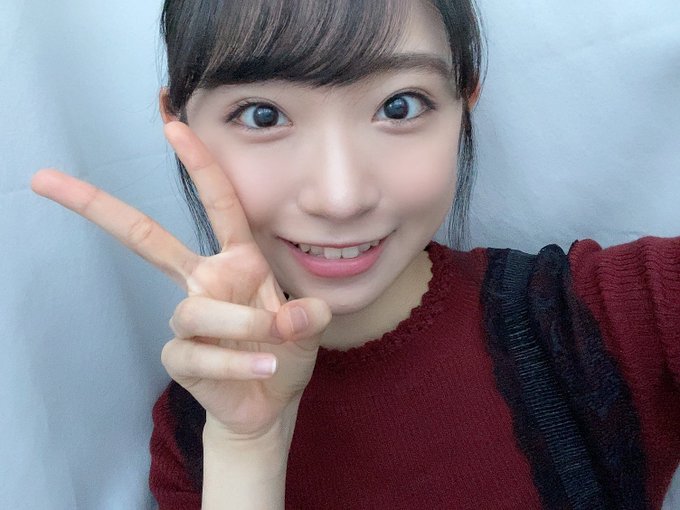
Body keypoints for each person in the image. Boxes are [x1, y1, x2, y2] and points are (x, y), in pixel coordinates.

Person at [30, 0, 679, 508]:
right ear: (179, 125)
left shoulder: (617, 318)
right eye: (262, 115)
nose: (340, 198)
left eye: (399, 106)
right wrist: (247, 449)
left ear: (464, 102)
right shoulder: (194, 435)